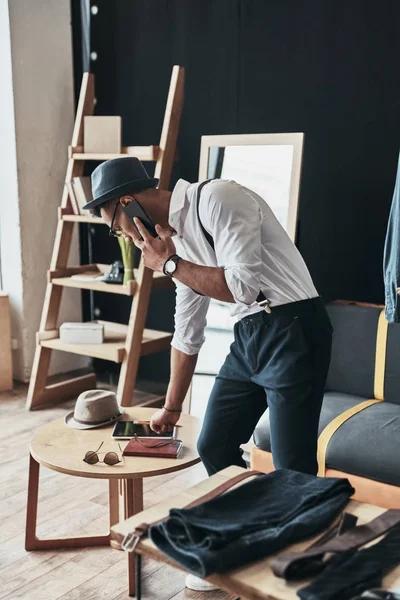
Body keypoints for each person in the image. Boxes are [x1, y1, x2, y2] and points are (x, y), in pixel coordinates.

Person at [83, 156, 333, 592]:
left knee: (293, 470)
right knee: (214, 444)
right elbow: (188, 331)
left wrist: (170, 265)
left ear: (129, 201)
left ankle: (304, 571)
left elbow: (244, 287)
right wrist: (170, 407)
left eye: (114, 223)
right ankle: (246, 540)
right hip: (250, 335)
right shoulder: (174, 242)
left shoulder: (219, 198)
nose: (120, 234)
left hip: (294, 328)